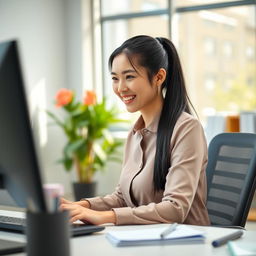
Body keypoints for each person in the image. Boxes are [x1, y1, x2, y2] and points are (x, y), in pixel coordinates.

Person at [60, 35, 210, 226]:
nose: (121, 88)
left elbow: (175, 208)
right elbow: (123, 198)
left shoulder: (187, 129)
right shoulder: (135, 132)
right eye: (115, 78)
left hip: (185, 243)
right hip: (145, 239)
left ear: (159, 77)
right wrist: (79, 206)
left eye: (129, 77)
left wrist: (107, 217)